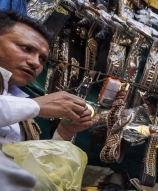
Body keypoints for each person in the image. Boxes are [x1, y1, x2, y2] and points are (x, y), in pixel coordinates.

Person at [0, 10, 92, 146]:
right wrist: (38, 105)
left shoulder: (24, 119)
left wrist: (63, 133)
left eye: (42, 59)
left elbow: (33, 166)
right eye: (26, 48)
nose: (36, 63)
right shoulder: (27, 108)